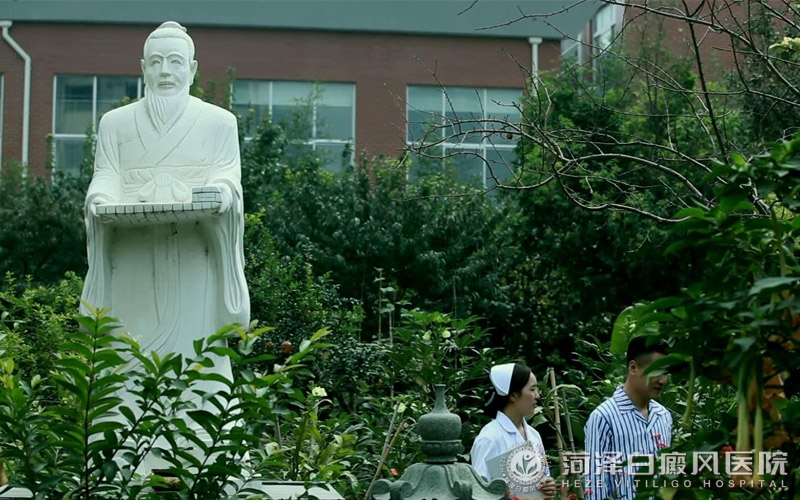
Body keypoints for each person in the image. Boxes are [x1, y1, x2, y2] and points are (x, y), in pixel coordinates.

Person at [79, 21, 249, 468]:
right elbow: (107, 176)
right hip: (132, 258)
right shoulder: (115, 123)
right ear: (142, 68)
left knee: (200, 357)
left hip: (194, 258)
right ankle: (117, 456)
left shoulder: (218, 123)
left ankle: (204, 452)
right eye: (156, 63)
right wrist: (100, 198)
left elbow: (226, 177)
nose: (165, 72)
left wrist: (219, 193)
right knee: (127, 353)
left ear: (192, 68)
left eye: (175, 62)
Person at [584, 336, 672, 500]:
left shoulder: (664, 416)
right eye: (657, 371)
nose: (663, 380)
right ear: (633, 367)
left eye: (665, 372)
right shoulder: (603, 417)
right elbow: (596, 485)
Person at [471, 362, 557, 499]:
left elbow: (544, 479)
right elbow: (478, 493)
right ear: (513, 396)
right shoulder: (490, 439)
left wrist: (548, 486)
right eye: (532, 389)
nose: (537, 396)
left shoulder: (534, 435)